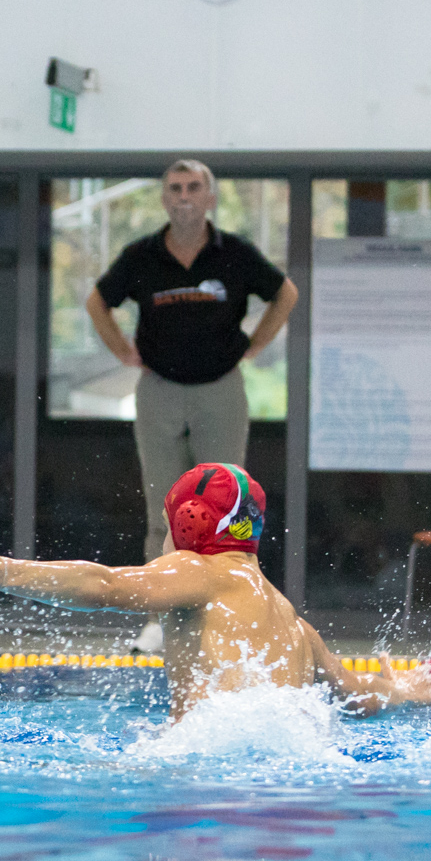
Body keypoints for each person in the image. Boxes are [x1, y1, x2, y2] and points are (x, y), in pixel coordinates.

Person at [0, 463, 431, 721]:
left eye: (167, 525)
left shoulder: (198, 572)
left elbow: (103, 584)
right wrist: (403, 690)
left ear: (191, 525)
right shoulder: (293, 623)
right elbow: (354, 696)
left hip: (206, 764)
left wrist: (7, 573)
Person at [85, 160, 299, 649]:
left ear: (210, 198)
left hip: (220, 389)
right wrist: (121, 350)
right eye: (175, 188)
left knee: (226, 507)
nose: (183, 195)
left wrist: (257, 345)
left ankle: (230, 611)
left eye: (193, 187)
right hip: (159, 389)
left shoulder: (236, 255)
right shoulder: (141, 256)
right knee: (163, 507)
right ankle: (160, 619)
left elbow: (285, 294)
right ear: (164, 199)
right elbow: (97, 301)